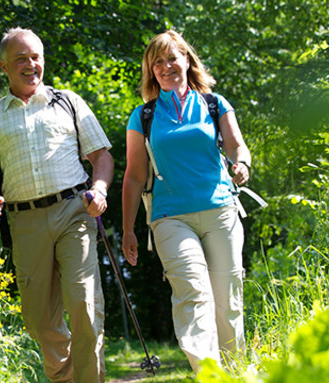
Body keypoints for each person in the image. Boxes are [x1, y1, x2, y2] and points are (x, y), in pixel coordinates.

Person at [0, 27, 114, 382]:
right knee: (38, 321)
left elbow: (101, 157)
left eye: (36, 57)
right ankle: (65, 378)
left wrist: (100, 190)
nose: (31, 65)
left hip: (73, 211)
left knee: (84, 304)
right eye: (21, 59)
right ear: (4, 66)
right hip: (24, 222)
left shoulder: (68, 101)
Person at [121, 30, 250, 372]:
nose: (166, 67)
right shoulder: (143, 116)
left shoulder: (214, 103)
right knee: (194, 295)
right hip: (169, 218)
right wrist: (128, 230)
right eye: (157, 62)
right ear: (151, 71)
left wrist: (242, 165)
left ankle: (235, 374)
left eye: (172, 58)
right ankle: (210, 376)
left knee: (227, 301)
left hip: (221, 209)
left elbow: (236, 145)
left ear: (187, 60)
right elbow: (134, 176)